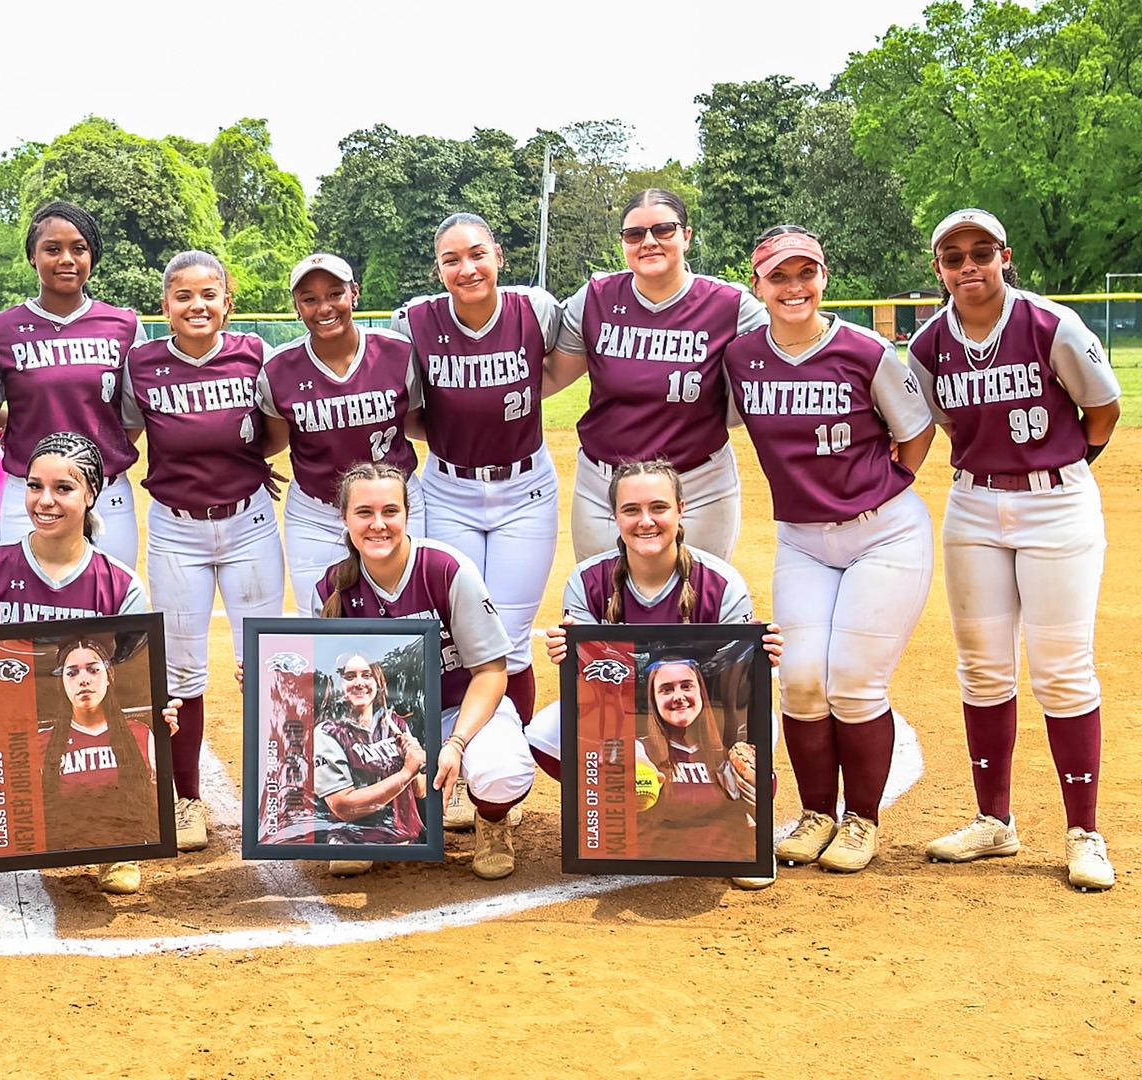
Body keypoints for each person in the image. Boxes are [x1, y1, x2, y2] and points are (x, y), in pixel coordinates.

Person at [907, 209, 1122, 891]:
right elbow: (939, 422)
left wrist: (1063, 467)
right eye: (953, 257)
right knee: (983, 669)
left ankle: (1084, 832)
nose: (968, 266)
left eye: (980, 253)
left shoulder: (1049, 324)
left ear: (1005, 256)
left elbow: (1104, 410)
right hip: (972, 503)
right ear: (938, 268)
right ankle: (993, 822)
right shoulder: (928, 344)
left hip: (1057, 503)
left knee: (1063, 670)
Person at [724, 226, 936, 874]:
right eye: (778, 276)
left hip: (885, 532)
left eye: (805, 273)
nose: (793, 288)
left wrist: (881, 489)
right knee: (800, 679)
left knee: (854, 680)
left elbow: (917, 432)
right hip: (803, 540)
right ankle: (817, 812)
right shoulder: (740, 357)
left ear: (823, 277)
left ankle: (861, 821)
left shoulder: (865, 351)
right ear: (756, 285)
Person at [0, 432, 177, 903]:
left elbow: (134, 691)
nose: (44, 501)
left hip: (78, 735)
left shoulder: (119, 583)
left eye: (63, 488)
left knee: (147, 749)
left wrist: (157, 715)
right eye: (34, 486)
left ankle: (114, 840)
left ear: (90, 495)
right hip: (1, 737)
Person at [527, 459, 780, 888]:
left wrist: (761, 655)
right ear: (614, 517)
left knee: (758, 735)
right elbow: (590, 689)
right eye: (631, 510)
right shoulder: (589, 580)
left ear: (681, 509)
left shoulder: (721, 582)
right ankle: (617, 820)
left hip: (703, 714)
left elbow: (737, 688)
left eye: (658, 507)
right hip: (621, 710)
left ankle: (743, 833)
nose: (646, 521)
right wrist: (568, 653)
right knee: (546, 731)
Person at [393, 212, 565, 824]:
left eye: (476, 254)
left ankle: (503, 787)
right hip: (449, 488)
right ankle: (459, 770)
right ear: (437, 268)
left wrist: (506, 408)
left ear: (499, 255)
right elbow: (409, 408)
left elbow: (559, 372)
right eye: (450, 260)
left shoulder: (536, 309)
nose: (466, 268)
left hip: (525, 487)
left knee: (512, 642)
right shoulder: (413, 319)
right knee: (455, 635)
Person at [125, 250, 286, 853]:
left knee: (267, 661)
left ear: (228, 302)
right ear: (164, 305)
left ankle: (284, 793)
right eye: (183, 296)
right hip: (175, 528)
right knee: (182, 672)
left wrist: (255, 465)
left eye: (208, 294)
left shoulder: (253, 356)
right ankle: (186, 797)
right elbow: (126, 432)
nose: (197, 306)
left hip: (248, 522)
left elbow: (273, 429)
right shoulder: (140, 364)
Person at [309, 461, 536, 879]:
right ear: (344, 518)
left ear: (407, 514)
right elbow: (332, 698)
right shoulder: (330, 588)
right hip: (384, 728)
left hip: (458, 709)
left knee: (503, 771)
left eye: (390, 511)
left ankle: (491, 819)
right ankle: (362, 829)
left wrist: (457, 743)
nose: (379, 525)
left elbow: (491, 671)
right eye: (364, 513)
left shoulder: (446, 569)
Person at [544, 189, 769, 560]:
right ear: (623, 242)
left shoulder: (730, 306)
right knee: (605, 606)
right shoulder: (596, 298)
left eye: (664, 230)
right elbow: (550, 377)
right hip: (605, 483)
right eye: (635, 234)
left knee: (695, 608)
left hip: (696, 484)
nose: (648, 242)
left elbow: (785, 375)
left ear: (687, 236)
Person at [0, 202, 145, 568]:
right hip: (31, 495)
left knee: (111, 615)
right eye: (52, 249)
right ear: (32, 257)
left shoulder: (125, 326)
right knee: (31, 613)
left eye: (78, 248)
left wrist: (92, 461)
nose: (66, 258)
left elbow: (130, 423)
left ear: (92, 256)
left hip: (106, 494)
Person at [259, 253, 425, 611]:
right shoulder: (276, 370)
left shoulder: (397, 352)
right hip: (317, 511)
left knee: (406, 612)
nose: (324, 307)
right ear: (296, 306)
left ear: (354, 293)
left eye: (335, 293)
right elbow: (274, 439)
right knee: (321, 617)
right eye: (310, 299)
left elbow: (414, 420)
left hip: (393, 504)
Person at [40, 637, 162, 851]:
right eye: (72, 673)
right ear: (62, 682)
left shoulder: (141, 735)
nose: (83, 680)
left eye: (93, 670)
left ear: (109, 677)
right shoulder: (41, 742)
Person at [632, 657, 755, 862]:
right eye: (666, 690)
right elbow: (632, 755)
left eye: (686, 686)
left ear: (701, 692)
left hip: (723, 859)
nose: (678, 696)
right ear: (654, 699)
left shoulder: (727, 754)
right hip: (652, 862)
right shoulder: (641, 747)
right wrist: (636, 764)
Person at [313, 652, 426, 847]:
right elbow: (343, 806)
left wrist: (414, 760)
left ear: (378, 682)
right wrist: (407, 772)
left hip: (408, 842)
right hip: (354, 844)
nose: (359, 683)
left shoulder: (395, 724)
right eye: (350, 676)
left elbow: (421, 791)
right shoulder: (327, 732)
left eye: (367, 675)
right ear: (338, 685)